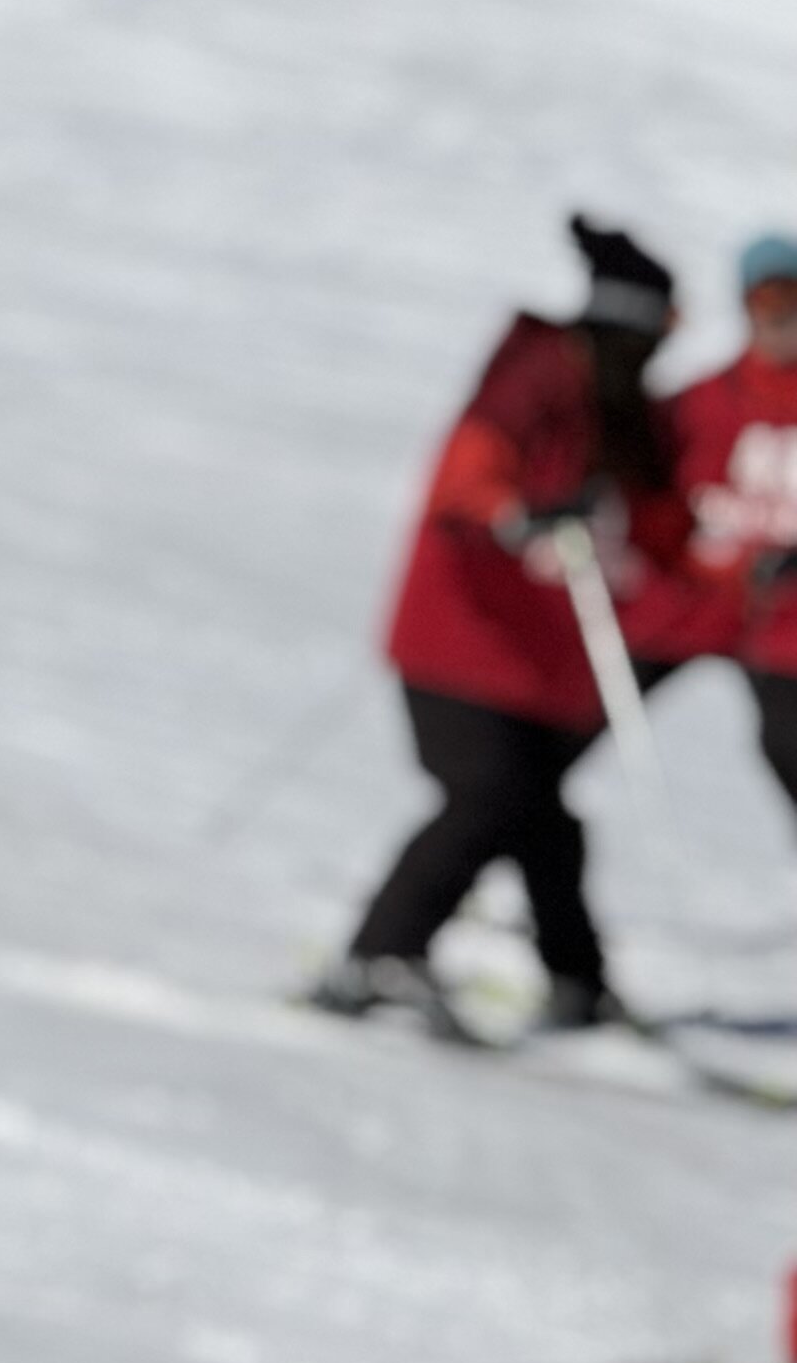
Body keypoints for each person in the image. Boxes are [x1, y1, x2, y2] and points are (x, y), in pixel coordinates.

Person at [315, 217, 691, 1035]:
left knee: (540, 814)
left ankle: (576, 981)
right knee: (489, 796)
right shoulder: (532, 378)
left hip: (529, 659)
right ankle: (380, 956)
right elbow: (468, 476)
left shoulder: (611, 407)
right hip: (456, 642)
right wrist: (518, 512)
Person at [635, 231, 797, 817]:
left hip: (787, 624)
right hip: (697, 597)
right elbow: (648, 496)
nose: (779, 318)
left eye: (791, 300)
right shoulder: (702, 402)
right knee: (570, 714)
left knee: (788, 744)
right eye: (765, 302)